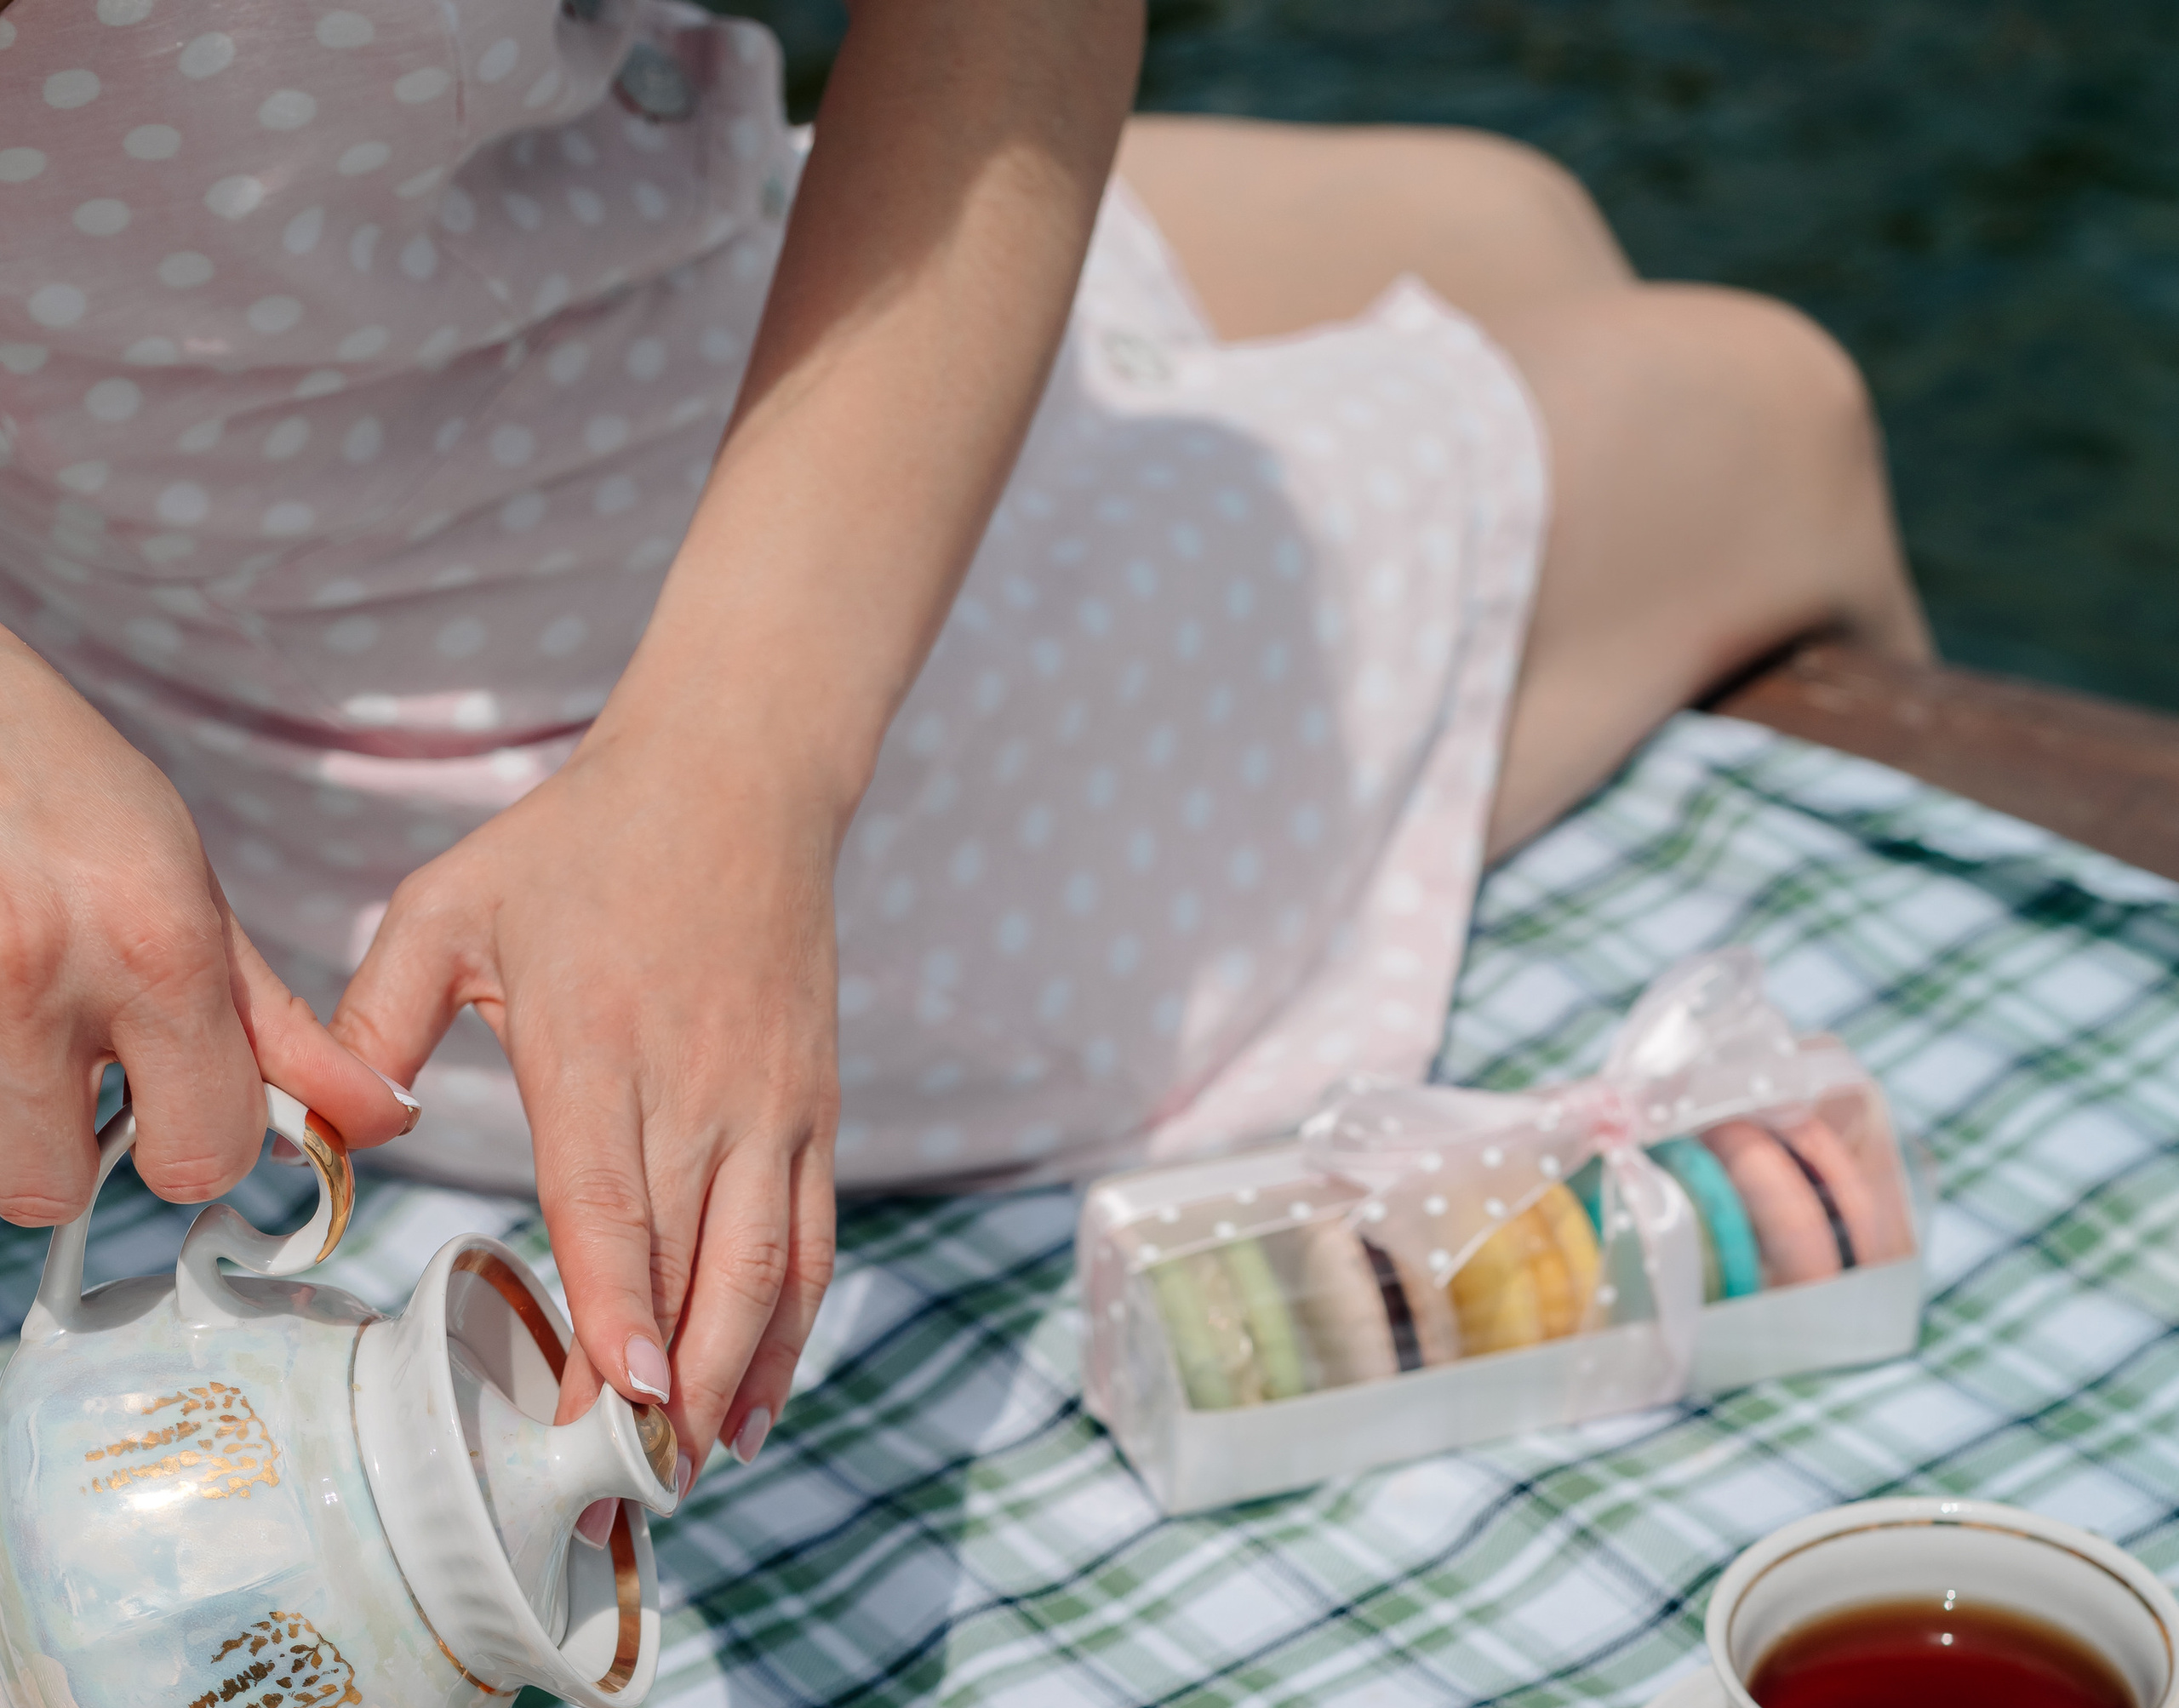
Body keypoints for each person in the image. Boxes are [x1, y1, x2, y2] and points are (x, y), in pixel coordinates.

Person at [0, 0, 1927, 1490]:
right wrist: (734, 777)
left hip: (459, 381)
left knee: (1501, 219)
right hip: (508, 752)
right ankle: (1889, 1145)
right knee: (1769, 414)